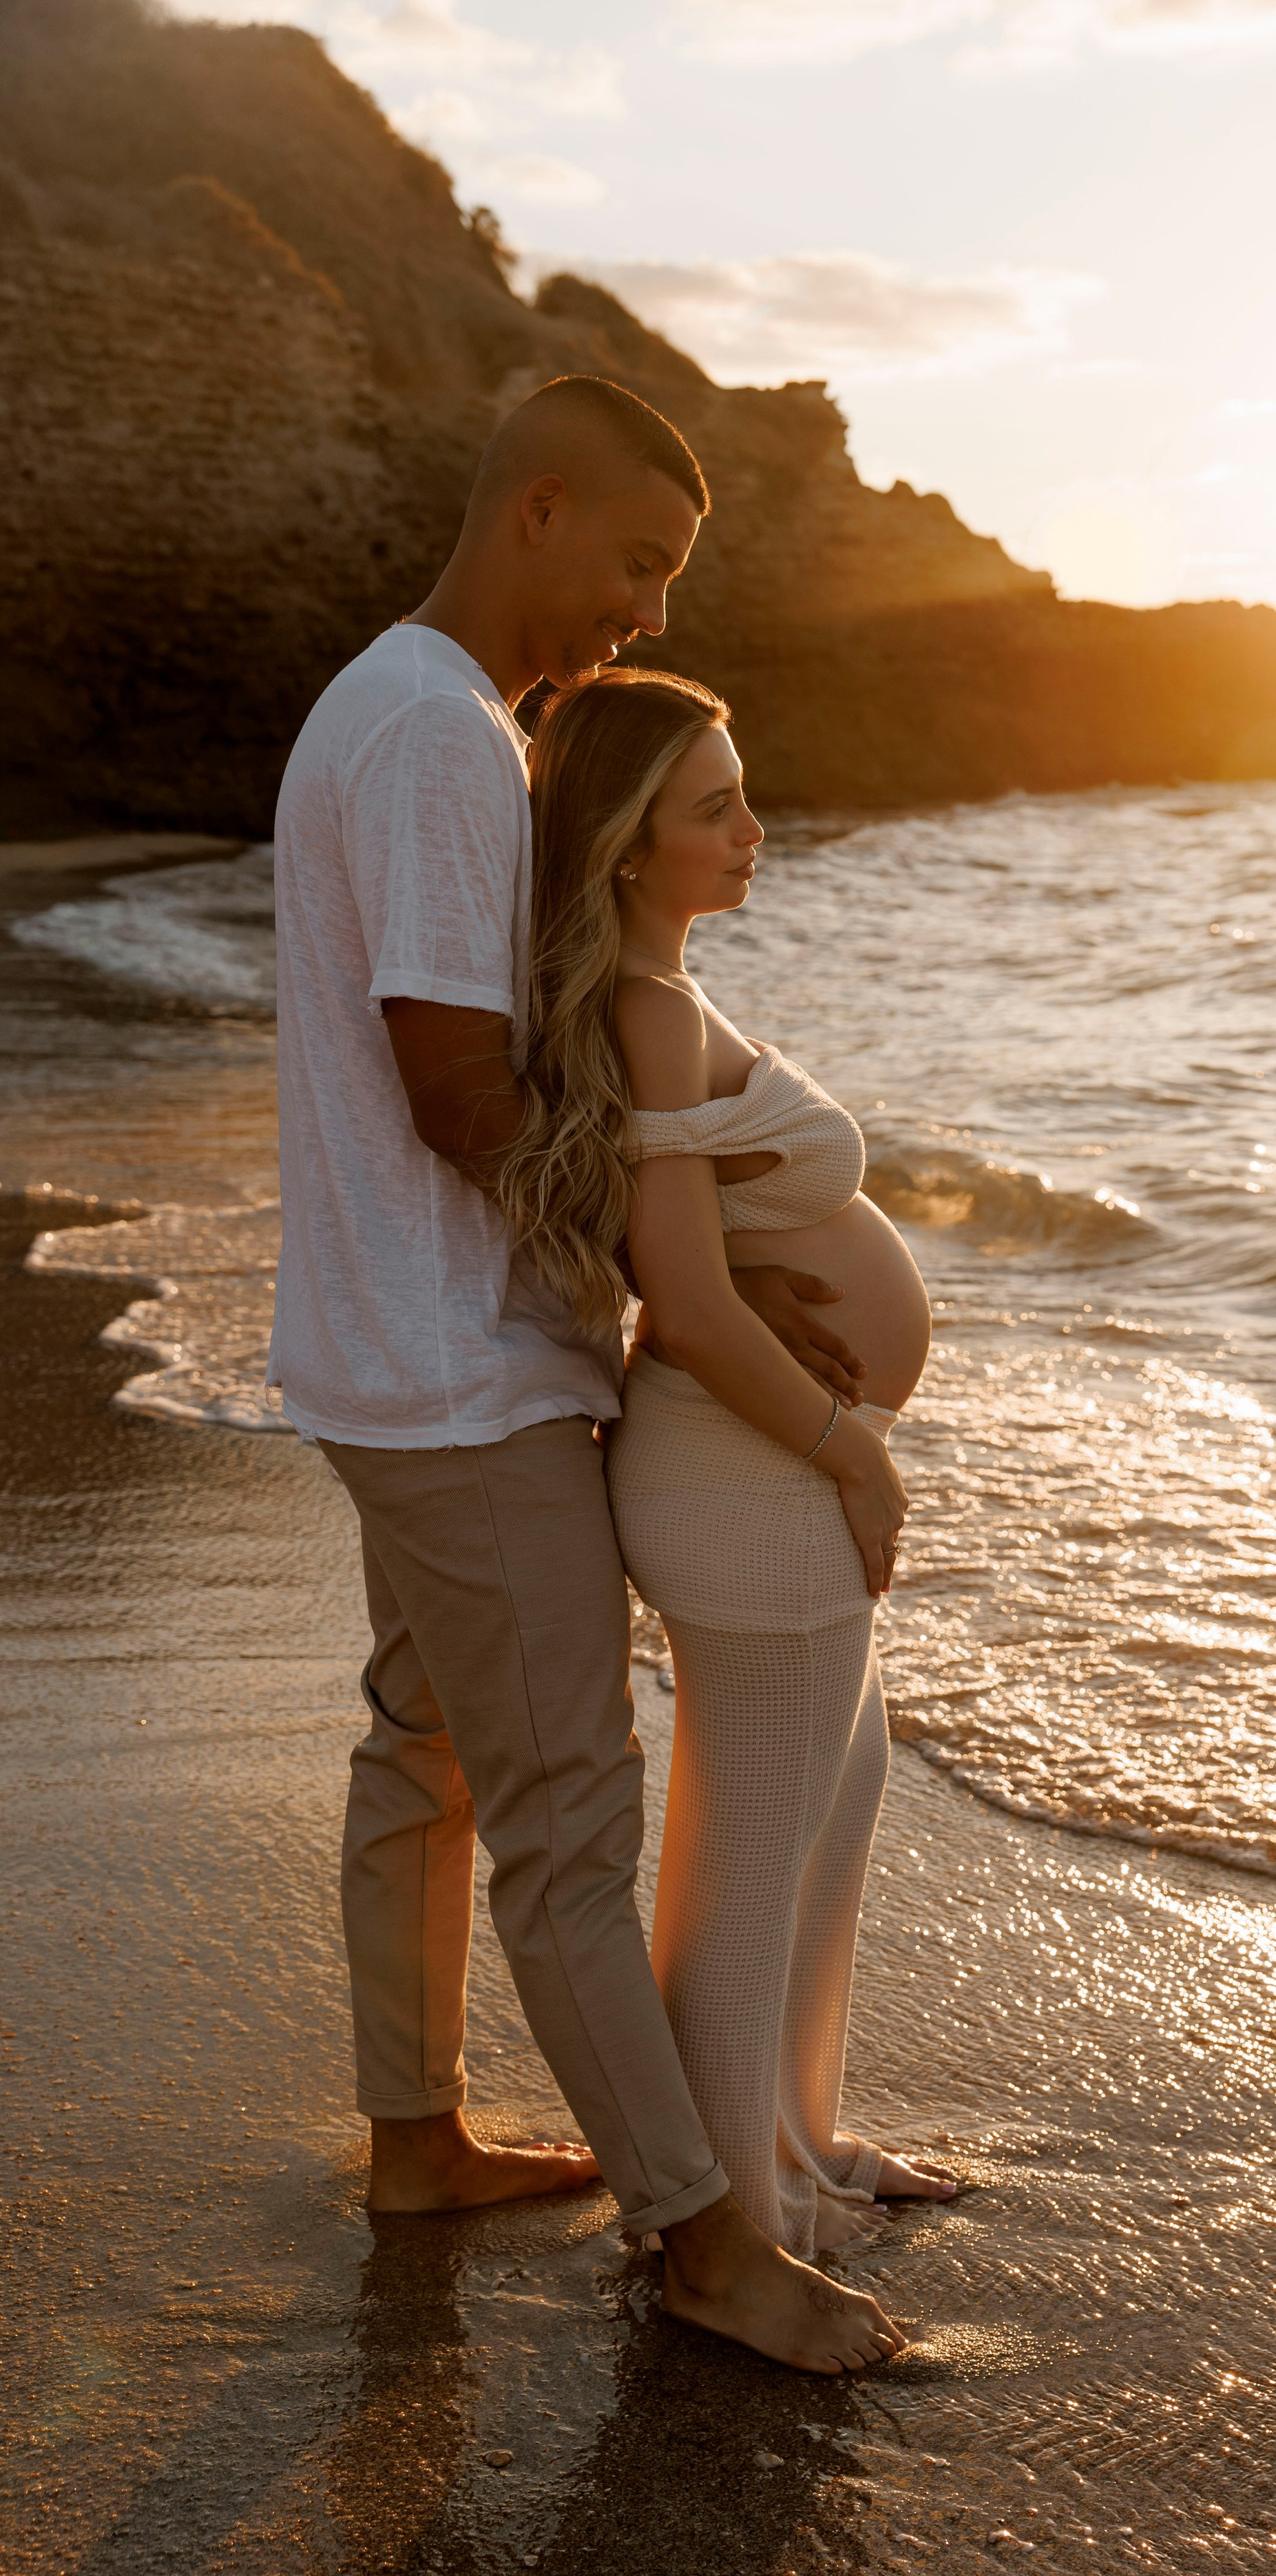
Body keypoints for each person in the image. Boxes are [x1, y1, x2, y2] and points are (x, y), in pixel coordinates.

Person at [269, 372, 904, 2373]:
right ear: (538, 510)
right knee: (561, 1815)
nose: (646, 607)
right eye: (639, 559)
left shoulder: (400, 712)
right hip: (466, 1384)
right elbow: (463, 1089)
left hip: (399, 1354)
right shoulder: (447, 741)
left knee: (428, 1757)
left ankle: (415, 2141)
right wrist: (665, 1266)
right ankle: (709, 2244)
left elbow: (463, 1074)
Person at [502, 664, 958, 2258]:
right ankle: (729, 2233)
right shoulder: (645, 1008)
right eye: (715, 807)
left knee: (831, 1798)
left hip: (753, 1475)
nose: (752, 829)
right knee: (750, 1850)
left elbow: (693, 1250)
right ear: (629, 844)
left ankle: (798, 2142)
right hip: (749, 1481)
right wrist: (854, 1455)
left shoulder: (667, 995)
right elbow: (687, 1302)